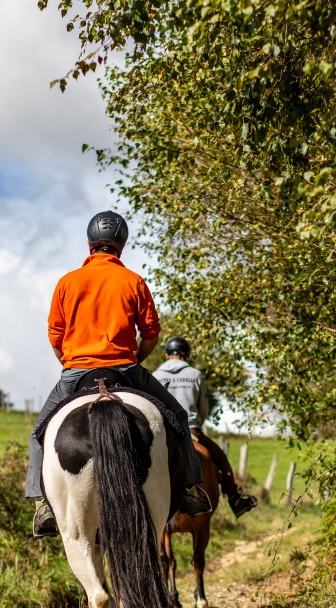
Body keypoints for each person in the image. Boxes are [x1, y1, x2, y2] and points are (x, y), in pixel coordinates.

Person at [27, 211, 212, 537]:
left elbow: (55, 336)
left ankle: (43, 504)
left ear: (89, 244)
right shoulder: (134, 281)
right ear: (121, 247)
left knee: (40, 430)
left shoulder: (67, 283)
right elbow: (151, 333)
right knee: (179, 418)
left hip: (76, 372)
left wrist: (70, 364)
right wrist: (135, 359)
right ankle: (188, 492)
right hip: (125, 370)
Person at [152, 338, 259, 517]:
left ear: (166, 354)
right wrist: (198, 422)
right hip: (191, 429)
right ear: (186, 354)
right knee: (222, 460)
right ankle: (235, 500)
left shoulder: (155, 375)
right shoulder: (195, 374)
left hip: (163, 431)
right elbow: (203, 407)